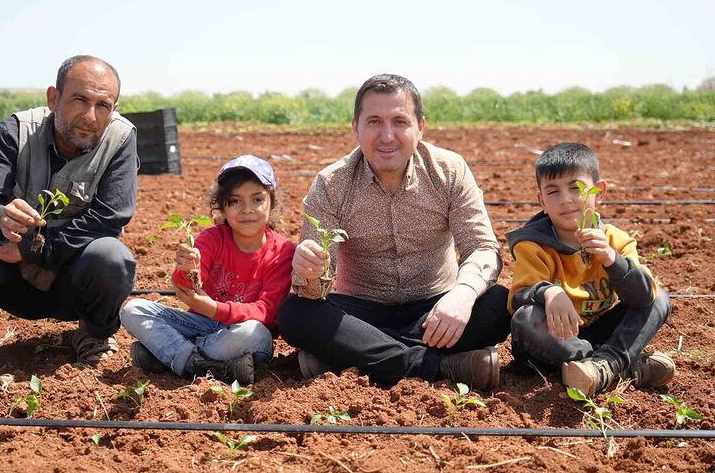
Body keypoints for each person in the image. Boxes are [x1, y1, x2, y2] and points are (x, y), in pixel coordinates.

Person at [277, 74, 510, 390]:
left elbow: (482, 247)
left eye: (399, 121)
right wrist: (311, 273)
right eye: (374, 122)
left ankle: (349, 357)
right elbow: (315, 288)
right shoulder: (331, 184)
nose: (387, 135)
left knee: (501, 303)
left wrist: (462, 295)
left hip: (436, 311)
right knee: (295, 314)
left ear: (420, 127)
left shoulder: (450, 170)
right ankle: (436, 367)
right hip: (361, 314)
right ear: (355, 128)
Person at [0, 55, 138, 368]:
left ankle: (94, 333)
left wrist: (29, 249)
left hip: (74, 279)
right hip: (12, 281)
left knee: (112, 257)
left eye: (103, 105)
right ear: (53, 98)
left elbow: (110, 216)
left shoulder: (121, 139)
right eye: (79, 99)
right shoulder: (15, 132)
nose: (90, 116)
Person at [507, 142, 674, 397]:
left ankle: (604, 366)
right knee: (525, 319)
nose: (565, 200)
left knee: (658, 297)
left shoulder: (615, 240)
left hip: (602, 330)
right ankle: (620, 365)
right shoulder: (533, 245)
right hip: (558, 338)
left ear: (599, 192)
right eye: (553, 192)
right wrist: (549, 293)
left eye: (576, 188)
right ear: (541, 200)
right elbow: (518, 296)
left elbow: (642, 296)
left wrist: (611, 259)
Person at [121, 155, 295, 385]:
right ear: (222, 205)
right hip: (199, 324)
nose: (247, 210)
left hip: (239, 334)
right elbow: (187, 287)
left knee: (255, 333)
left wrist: (213, 308)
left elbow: (267, 314)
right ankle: (209, 366)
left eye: (257, 199)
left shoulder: (283, 251)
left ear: (271, 202)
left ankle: (172, 356)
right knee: (134, 309)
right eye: (235, 201)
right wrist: (185, 268)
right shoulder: (212, 238)